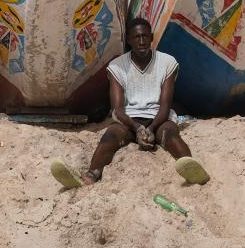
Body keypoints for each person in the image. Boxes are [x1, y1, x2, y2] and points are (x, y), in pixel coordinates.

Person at [49, 17, 210, 188]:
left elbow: (165, 105)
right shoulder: (117, 66)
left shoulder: (167, 63)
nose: (141, 41)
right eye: (136, 37)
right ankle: (91, 174)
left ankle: (191, 169)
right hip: (129, 120)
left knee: (170, 134)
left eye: (145, 36)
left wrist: (151, 128)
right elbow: (117, 109)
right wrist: (137, 128)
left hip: (159, 118)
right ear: (129, 40)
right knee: (110, 136)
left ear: (151, 37)